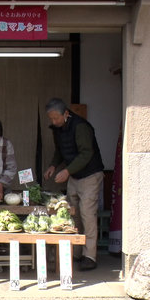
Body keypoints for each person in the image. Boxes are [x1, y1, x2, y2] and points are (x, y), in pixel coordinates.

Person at [43, 98, 104, 271]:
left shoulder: (80, 127)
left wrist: (67, 171)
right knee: (73, 213)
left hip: (90, 174)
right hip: (74, 175)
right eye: (51, 119)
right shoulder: (58, 128)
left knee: (87, 213)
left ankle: (90, 256)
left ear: (66, 114)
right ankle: (76, 251)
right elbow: (60, 151)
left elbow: (86, 154)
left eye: (56, 118)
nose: (54, 122)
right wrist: (53, 166)